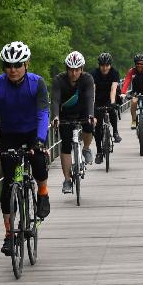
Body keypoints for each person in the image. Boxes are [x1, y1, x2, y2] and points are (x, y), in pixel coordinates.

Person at [0, 41, 50, 256]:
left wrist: (40, 140)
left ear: (26, 64)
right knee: (9, 183)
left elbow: (43, 114)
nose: (12, 70)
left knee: (39, 162)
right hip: (10, 134)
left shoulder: (37, 83)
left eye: (17, 65)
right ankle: (9, 235)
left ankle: (43, 193)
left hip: (33, 131)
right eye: (8, 65)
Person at [51, 51, 95, 194]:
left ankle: (86, 148)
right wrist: (56, 117)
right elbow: (56, 100)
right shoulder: (59, 80)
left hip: (83, 111)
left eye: (77, 70)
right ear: (66, 69)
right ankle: (67, 180)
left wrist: (90, 115)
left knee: (89, 125)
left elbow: (89, 98)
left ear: (82, 69)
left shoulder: (87, 79)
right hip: (65, 115)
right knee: (65, 144)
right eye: (71, 69)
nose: (74, 73)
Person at [90, 52, 122, 165]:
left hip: (110, 97)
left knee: (112, 111)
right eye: (102, 65)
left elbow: (113, 89)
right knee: (97, 126)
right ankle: (99, 152)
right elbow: (92, 91)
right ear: (99, 65)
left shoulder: (114, 73)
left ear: (110, 65)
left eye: (107, 65)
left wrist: (112, 103)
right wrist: (92, 105)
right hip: (98, 99)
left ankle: (116, 132)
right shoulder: (94, 73)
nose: (104, 68)